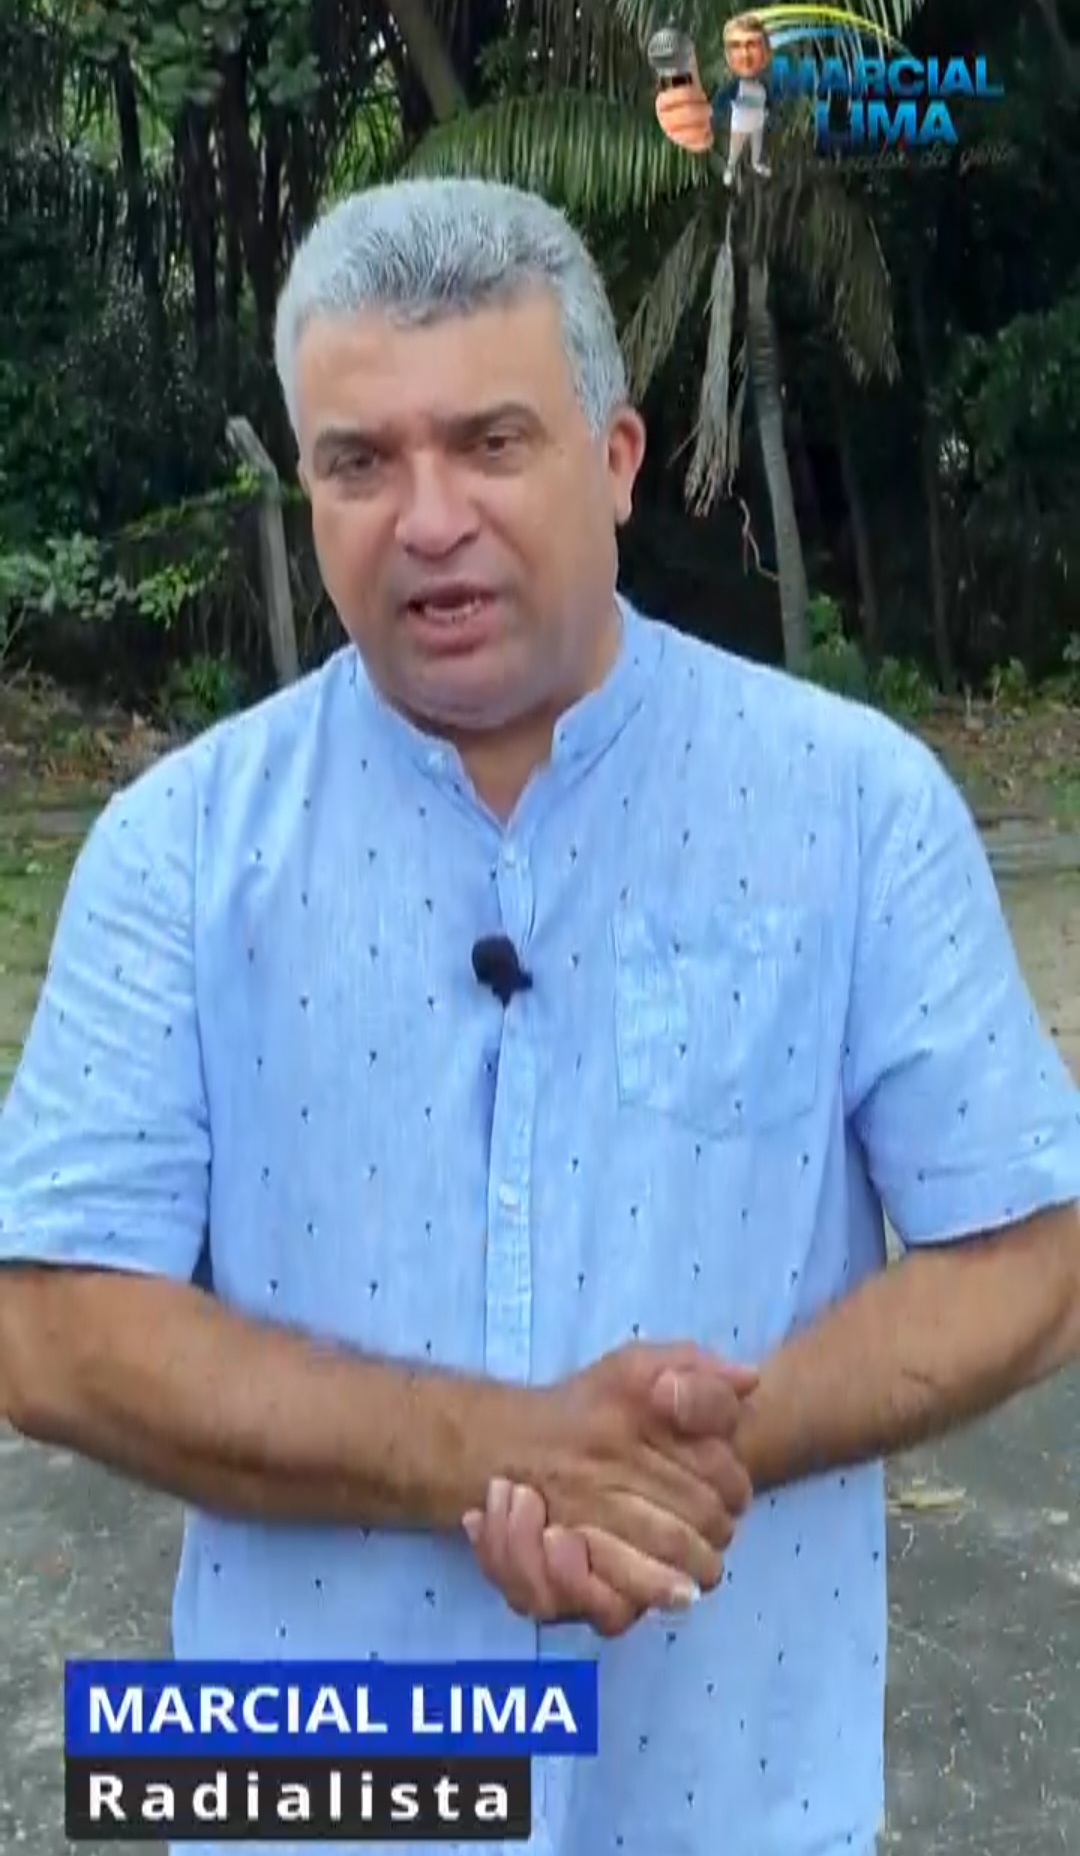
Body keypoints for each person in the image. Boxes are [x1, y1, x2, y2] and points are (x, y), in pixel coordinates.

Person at [1, 176, 1079, 1856]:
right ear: (309, 492)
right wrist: (495, 1453)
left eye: (490, 443)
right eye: (361, 463)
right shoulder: (180, 851)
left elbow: (1029, 1248)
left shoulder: (851, 805)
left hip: (730, 1800)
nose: (427, 519)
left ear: (617, 458)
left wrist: (697, 1453)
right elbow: (51, 1325)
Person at [655, 15, 774, 182]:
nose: (746, 55)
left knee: (756, 146)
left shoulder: (764, 84)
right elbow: (720, 102)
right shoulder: (735, 84)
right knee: (735, 150)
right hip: (740, 123)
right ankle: (730, 169)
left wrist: (767, 113)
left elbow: (768, 102)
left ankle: (755, 164)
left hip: (757, 123)